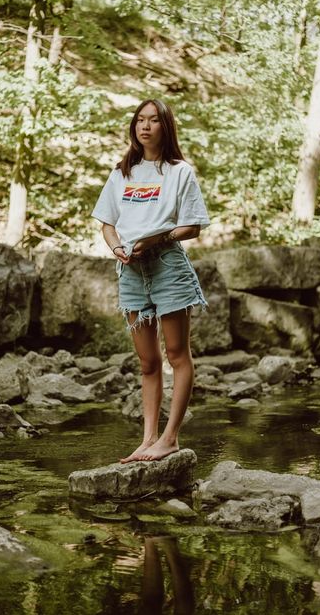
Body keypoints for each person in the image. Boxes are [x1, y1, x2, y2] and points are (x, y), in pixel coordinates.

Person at [91, 98, 210, 462]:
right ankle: (148, 439)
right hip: (130, 271)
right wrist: (116, 248)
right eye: (140, 120)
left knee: (177, 354)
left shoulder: (179, 172)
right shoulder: (121, 172)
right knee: (147, 362)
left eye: (153, 120)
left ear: (165, 126)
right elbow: (107, 223)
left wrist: (160, 237)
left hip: (167, 266)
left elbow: (194, 226)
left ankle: (171, 437)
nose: (145, 126)